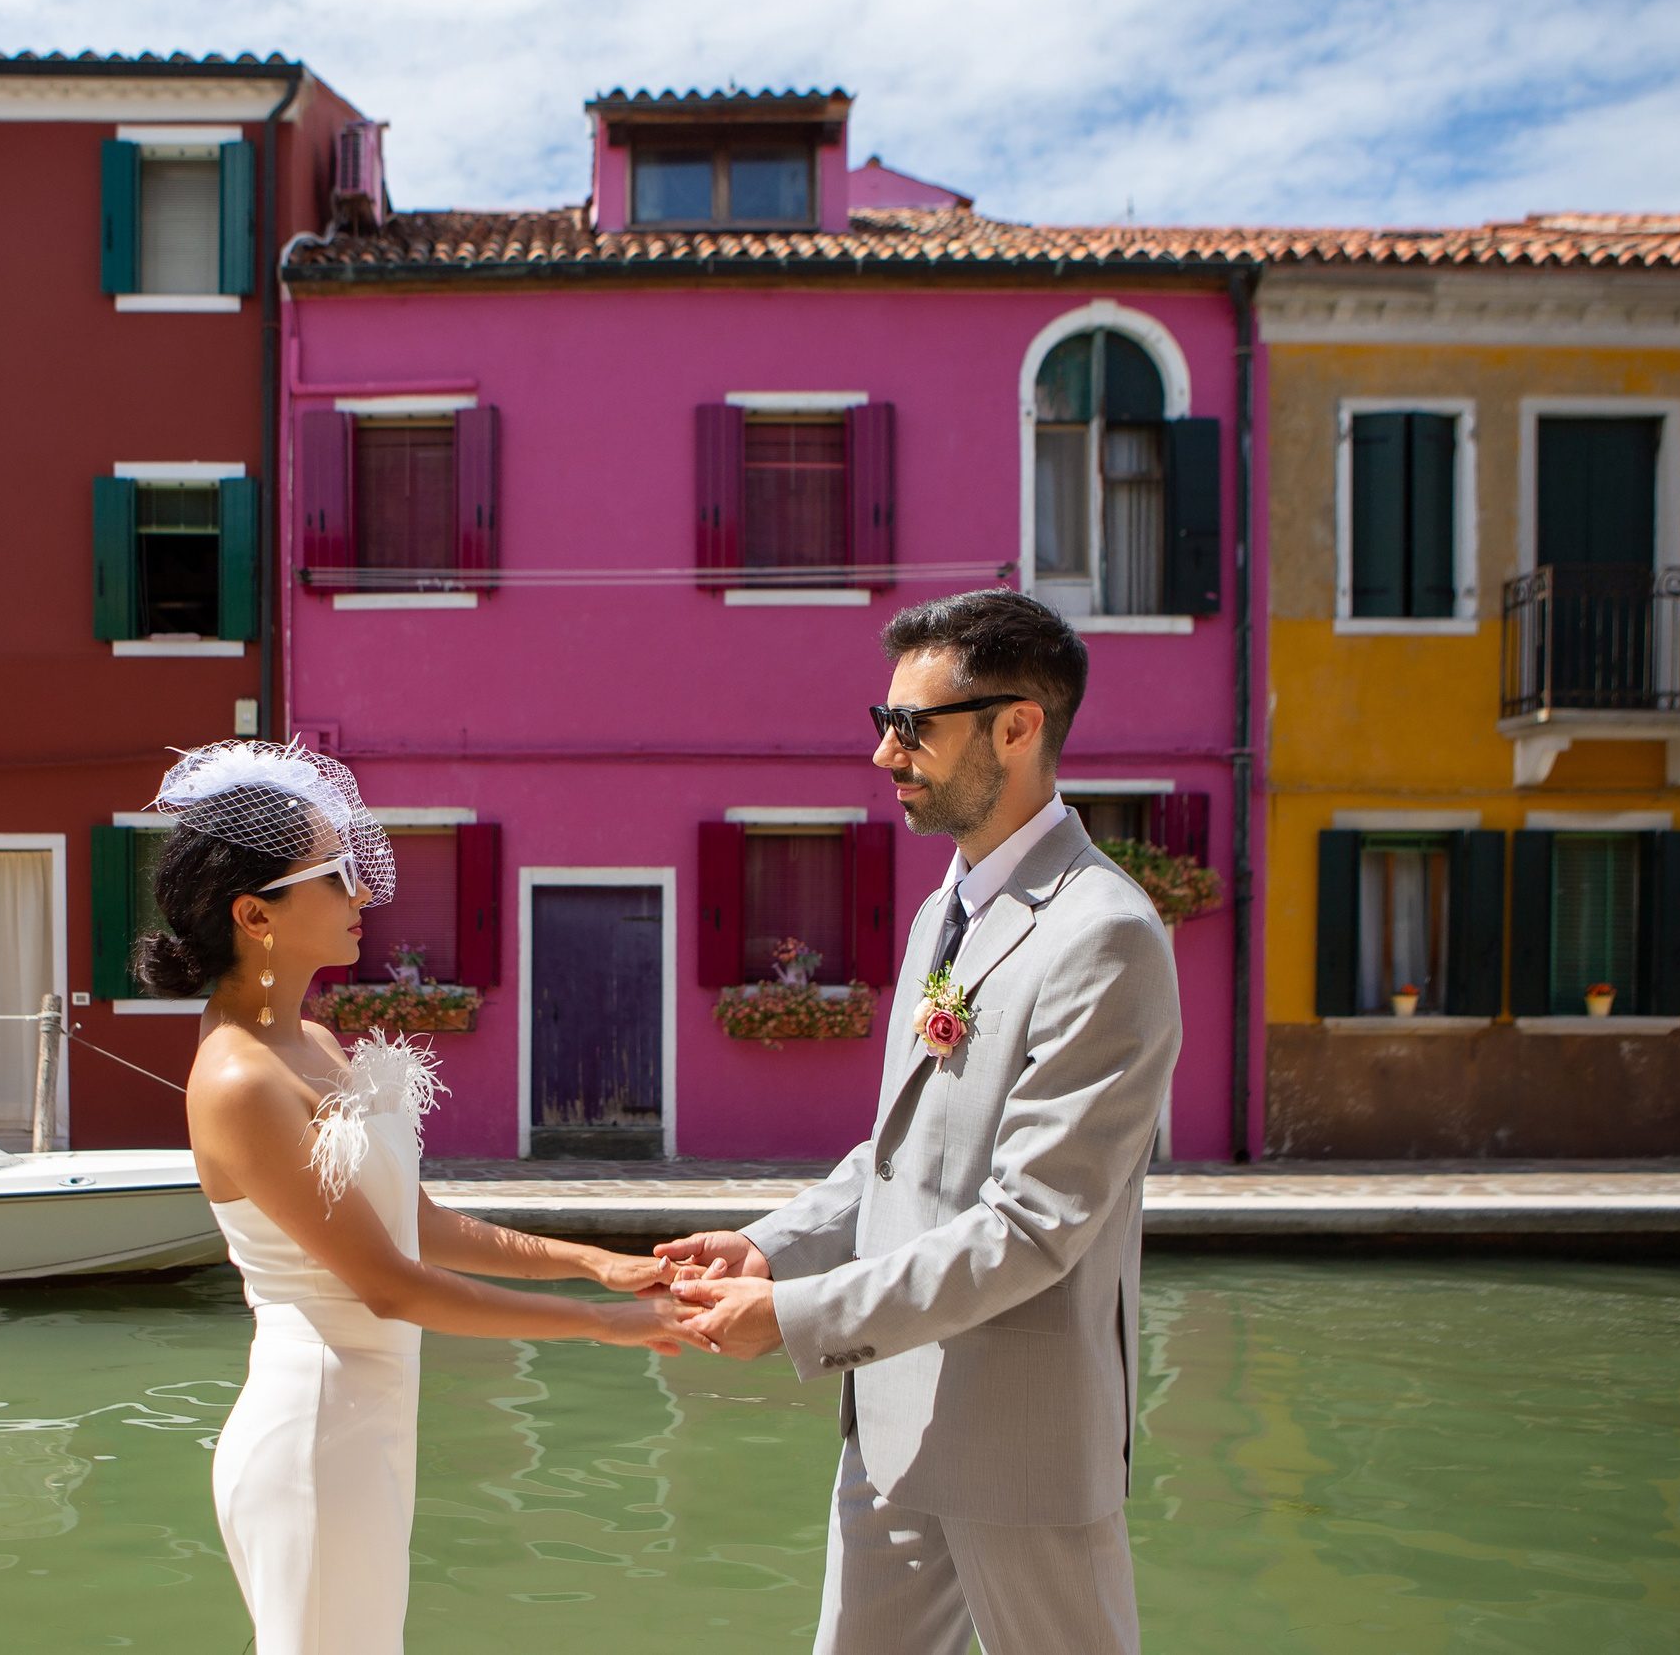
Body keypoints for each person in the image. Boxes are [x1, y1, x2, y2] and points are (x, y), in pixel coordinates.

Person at [663, 590, 1179, 1655]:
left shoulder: (1106, 935)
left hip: (1019, 1442)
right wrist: (770, 1242)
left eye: (913, 726)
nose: (883, 753)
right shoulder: (946, 907)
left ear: (1018, 726)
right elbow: (898, 1153)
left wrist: (796, 1313)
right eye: (882, 719)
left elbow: (1032, 1225)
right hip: (889, 1421)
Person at [140, 740, 694, 1655]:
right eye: (336, 874)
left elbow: (418, 1225)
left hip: (365, 1423)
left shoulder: (310, 1041)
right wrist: (603, 1326)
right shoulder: (241, 1079)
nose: (363, 893)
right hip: (315, 1430)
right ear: (254, 914)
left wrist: (595, 1261)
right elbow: (389, 1285)